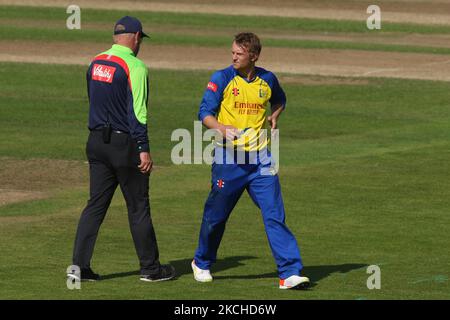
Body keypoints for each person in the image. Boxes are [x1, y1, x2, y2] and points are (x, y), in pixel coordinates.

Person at [191, 33, 310, 289]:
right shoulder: (221, 78)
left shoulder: (267, 79)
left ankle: (289, 272)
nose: (233, 56)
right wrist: (220, 127)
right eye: (232, 52)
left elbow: (280, 99)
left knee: (274, 214)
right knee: (216, 217)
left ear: (253, 56)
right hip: (228, 160)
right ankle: (201, 261)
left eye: (239, 53)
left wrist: (275, 115)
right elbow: (204, 112)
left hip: (261, 161)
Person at [68, 16, 175, 283]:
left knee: (95, 206)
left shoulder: (96, 61)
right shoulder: (135, 66)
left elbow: (93, 99)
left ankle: (79, 269)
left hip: (96, 142)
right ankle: (150, 269)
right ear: (136, 36)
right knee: (138, 206)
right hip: (123, 144)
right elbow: (138, 112)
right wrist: (143, 148)